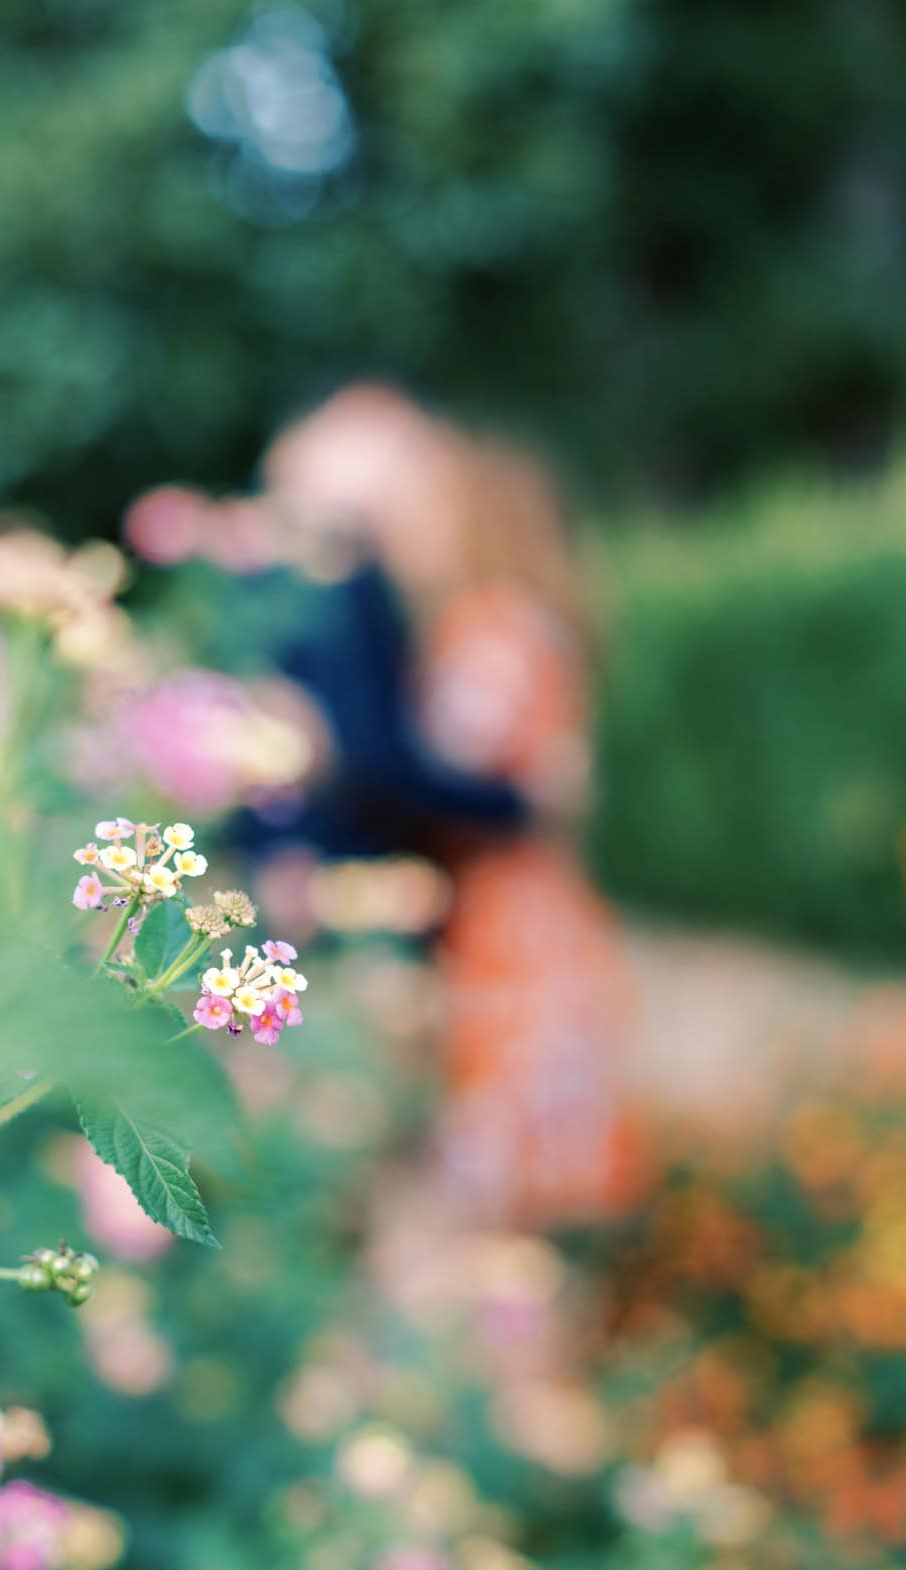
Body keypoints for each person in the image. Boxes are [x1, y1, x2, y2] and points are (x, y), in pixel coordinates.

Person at [263, 385, 648, 1230]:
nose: (407, 528)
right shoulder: (517, 624)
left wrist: (338, 750)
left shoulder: (488, 630)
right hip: (513, 910)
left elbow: (427, 775)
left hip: (502, 918)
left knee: (494, 1169)